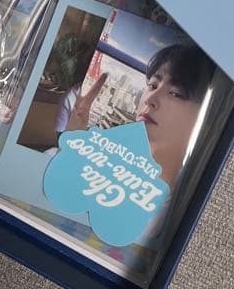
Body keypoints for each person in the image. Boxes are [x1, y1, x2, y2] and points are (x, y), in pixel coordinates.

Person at [66, 42, 214, 188]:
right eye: (152, 86)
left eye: (175, 93)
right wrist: (71, 138)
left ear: (205, 118)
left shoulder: (187, 196)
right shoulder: (109, 164)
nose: (150, 99)